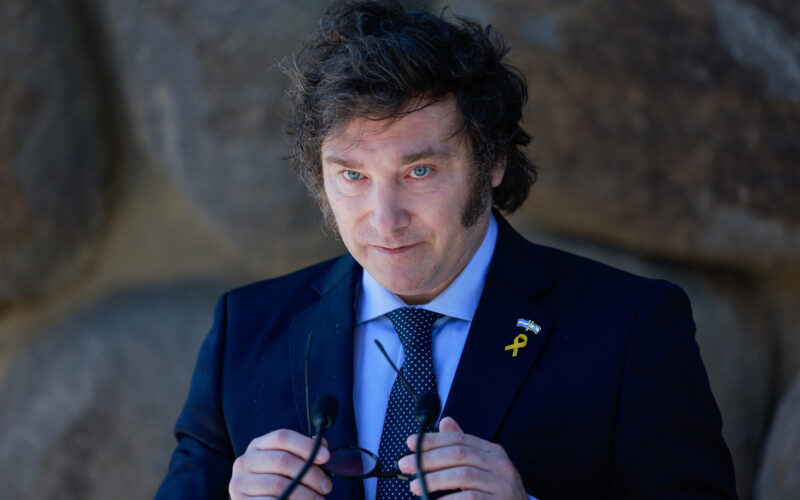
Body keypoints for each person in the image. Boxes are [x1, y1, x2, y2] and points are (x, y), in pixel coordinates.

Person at [155, 1, 738, 499]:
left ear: (493, 161)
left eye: (420, 170)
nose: (384, 219)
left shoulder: (631, 326)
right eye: (353, 175)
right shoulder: (244, 328)